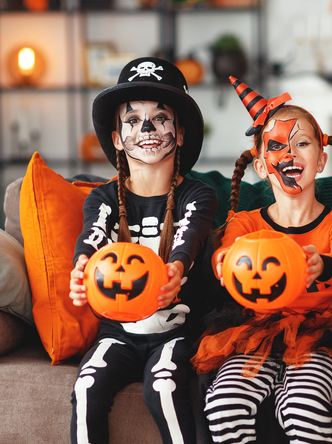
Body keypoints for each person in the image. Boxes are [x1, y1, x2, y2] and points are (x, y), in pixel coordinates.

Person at [192, 77, 332, 444]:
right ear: (262, 167)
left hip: (321, 331)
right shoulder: (245, 222)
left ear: (321, 159)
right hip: (254, 329)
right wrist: (223, 262)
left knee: (303, 406)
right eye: (276, 146)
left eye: (302, 143)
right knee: (224, 404)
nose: (290, 154)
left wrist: (320, 265)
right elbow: (227, 255)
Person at [68, 57, 218, 444]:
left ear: (180, 133)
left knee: (164, 388)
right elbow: (93, 237)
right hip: (117, 333)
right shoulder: (102, 198)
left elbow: (190, 235)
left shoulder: (197, 195)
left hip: (177, 332)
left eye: (160, 118)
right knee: (86, 390)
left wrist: (174, 269)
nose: (147, 128)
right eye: (133, 120)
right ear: (117, 138)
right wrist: (81, 269)